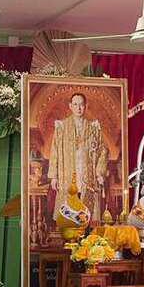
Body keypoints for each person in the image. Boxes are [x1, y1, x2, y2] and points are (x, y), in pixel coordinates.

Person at [48, 92, 109, 224]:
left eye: (81, 104)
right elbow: (54, 151)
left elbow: (103, 150)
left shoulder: (93, 127)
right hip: (67, 174)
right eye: (75, 104)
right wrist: (54, 176)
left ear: (86, 106)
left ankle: (84, 233)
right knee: (69, 212)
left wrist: (99, 172)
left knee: (86, 212)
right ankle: (69, 233)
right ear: (70, 106)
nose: (78, 108)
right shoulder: (62, 126)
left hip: (87, 175)